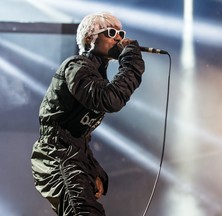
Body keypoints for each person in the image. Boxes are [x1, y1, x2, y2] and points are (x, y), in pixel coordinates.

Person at [31, 12, 145, 216]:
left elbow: (78, 133)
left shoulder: (95, 74)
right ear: (88, 39)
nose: (118, 38)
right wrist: (131, 64)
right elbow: (109, 99)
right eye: (111, 32)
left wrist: (91, 168)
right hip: (55, 155)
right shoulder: (76, 66)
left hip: (70, 153)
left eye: (121, 33)